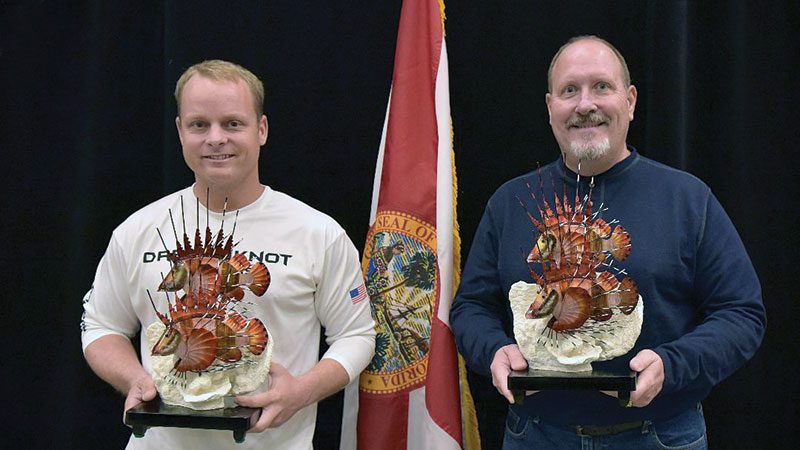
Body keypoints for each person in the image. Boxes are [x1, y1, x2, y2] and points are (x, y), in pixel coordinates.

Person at [450, 35, 766, 449]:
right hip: (536, 436)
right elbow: (471, 306)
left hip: (660, 436)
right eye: (569, 91)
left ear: (630, 101)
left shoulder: (688, 199)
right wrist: (493, 350)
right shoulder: (508, 203)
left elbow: (742, 314)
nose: (585, 105)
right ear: (550, 108)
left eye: (602, 86)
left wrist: (673, 366)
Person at [81, 60, 376, 449]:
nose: (215, 138)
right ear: (180, 131)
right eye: (199, 124)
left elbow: (356, 335)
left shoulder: (318, 233)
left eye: (233, 123)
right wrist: (135, 379)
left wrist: (301, 391)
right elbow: (101, 326)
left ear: (262, 130)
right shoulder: (138, 230)